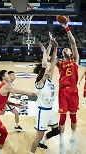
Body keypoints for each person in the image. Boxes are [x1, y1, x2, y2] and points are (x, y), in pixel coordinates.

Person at [0, 70, 36, 154]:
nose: (8, 76)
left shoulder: (0, 85)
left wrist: (14, 104)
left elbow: (4, 99)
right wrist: (35, 94)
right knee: (4, 133)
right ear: (3, 77)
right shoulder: (6, 86)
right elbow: (21, 92)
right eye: (6, 75)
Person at [30, 39, 59, 154]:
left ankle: (43, 141)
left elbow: (52, 63)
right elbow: (44, 64)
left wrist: (55, 48)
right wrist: (44, 51)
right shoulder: (39, 82)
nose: (48, 70)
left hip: (50, 111)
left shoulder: (49, 78)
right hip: (43, 112)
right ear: (41, 73)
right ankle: (31, 152)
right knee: (38, 135)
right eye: (45, 70)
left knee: (56, 130)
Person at [57, 21, 80, 153]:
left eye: (68, 49)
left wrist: (66, 28)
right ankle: (61, 139)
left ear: (71, 52)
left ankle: (73, 136)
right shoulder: (60, 63)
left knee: (73, 116)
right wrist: (52, 47)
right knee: (62, 117)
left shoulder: (75, 59)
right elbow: (50, 59)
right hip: (63, 92)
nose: (66, 49)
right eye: (64, 48)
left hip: (73, 91)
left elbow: (73, 43)